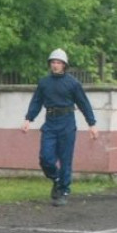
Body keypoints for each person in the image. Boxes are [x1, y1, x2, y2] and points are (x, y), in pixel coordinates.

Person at [20, 48, 99, 206]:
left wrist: (92, 124)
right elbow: (36, 101)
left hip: (67, 123)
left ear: (64, 65)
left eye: (58, 62)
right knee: (45, 157)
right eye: (53, 62)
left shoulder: (73, 83)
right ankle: (56, 178)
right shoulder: (44, 83)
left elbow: (83, 103)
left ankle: (63, 191)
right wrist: (29, 119)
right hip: (50, 122)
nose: (55, 65)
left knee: (65, 159)